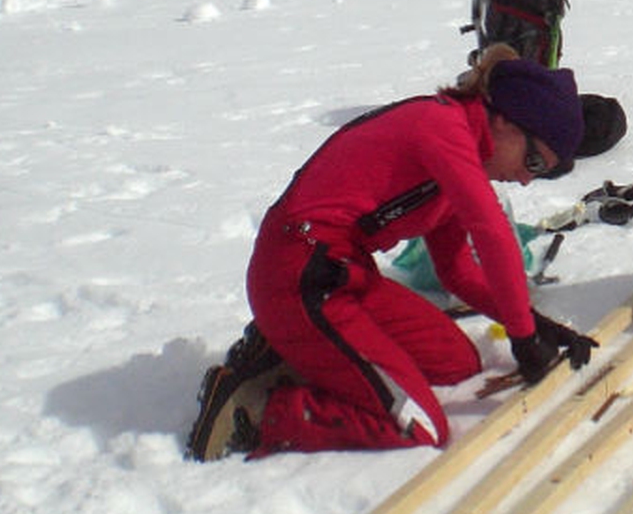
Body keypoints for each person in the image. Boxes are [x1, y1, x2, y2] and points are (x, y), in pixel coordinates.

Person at [189, 44, 598, 461]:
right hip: (298, 275)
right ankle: (260, 413)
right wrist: (522, 335)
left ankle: (295, 347)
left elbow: (457, 271)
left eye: (541, 171)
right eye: (533, 160)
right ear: (506, 120)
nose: (528, 180)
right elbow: (491, 232)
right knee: (421, 424)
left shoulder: (462, 155)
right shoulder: (443, 128)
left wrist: (535, 324)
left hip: (344, 274)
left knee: (456, 363)